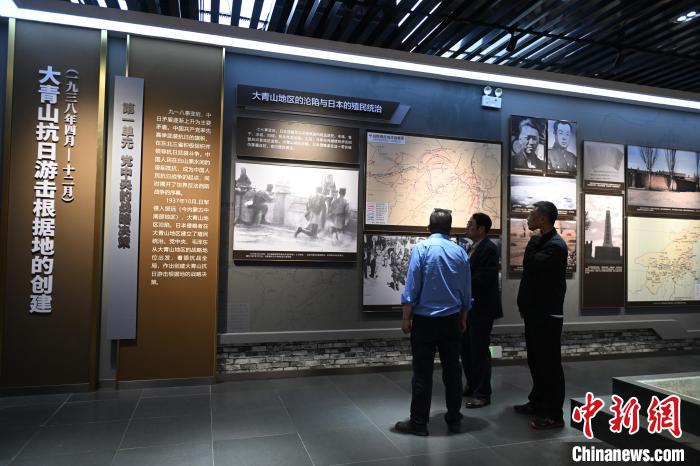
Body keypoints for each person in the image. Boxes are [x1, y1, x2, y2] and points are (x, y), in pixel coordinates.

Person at [395, 208, 471, 436]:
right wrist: (463, 318)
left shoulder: (422, 249)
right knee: (453, 371)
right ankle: (454, 417)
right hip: (451, 320)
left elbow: (412, 286)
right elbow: (466, 290)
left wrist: (406, 317)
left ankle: (419, 423)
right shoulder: (460, 252)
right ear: (450, 228)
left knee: (422, 372)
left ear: (428, 228)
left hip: (425, 321)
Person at [514, 201, 568, 429]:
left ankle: (554, 415)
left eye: (531, 214)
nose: (527, 218)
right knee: (536, 360)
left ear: (543, 219)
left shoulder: (555, 245)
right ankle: (537, 402)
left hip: (547, 314)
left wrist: (533, 242)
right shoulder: (543, 242)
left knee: (550, 364)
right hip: (535, 313)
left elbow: (531, 265)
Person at [461, 213, 503, 409]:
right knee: (466, 349)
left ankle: (483, 393)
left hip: (482, 308)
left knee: (479, 351)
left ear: (481, 229)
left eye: (471, 224)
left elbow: (484, 279)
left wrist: (461, 284)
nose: (467, 227)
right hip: (470, 307)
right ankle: (472, 385)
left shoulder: (489, 249)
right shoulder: (472, 247)